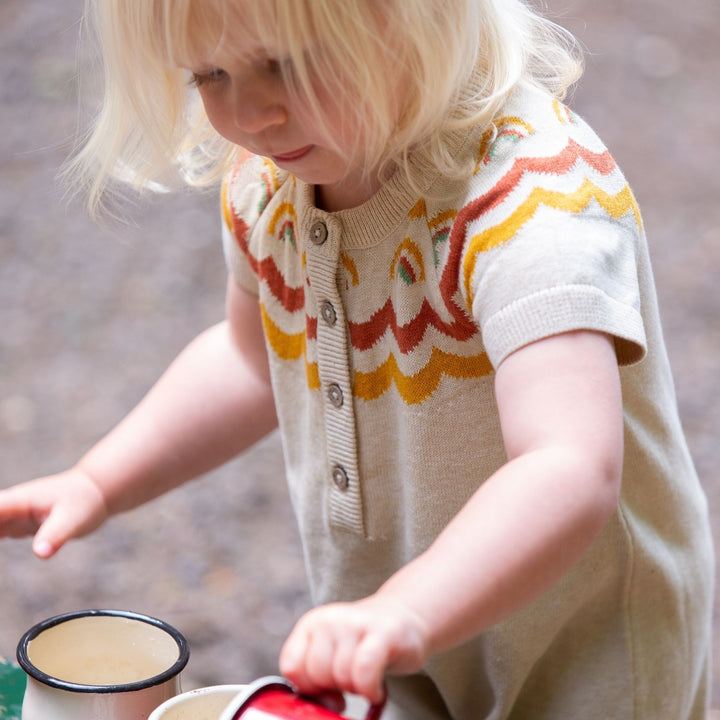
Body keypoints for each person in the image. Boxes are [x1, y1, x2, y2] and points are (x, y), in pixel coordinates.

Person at [0, 1, 714, 717]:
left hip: (581, 656)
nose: (250, 113)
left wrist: (408, 609)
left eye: (289, 64)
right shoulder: (270, 189)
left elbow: (566, 464)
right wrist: (99, 480)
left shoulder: (530, 204)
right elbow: (250, 361)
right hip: (397, 634)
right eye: (209, 74)